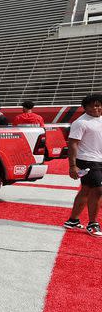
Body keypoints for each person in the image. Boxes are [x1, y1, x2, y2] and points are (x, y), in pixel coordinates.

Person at [64, 93, 102, 237]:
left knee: (86, 190)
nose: (95, 108)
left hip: (99, 159)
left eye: (98, 105)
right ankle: (92, 224)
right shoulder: (80, 122)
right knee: (98, 190)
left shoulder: (100, 119)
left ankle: (72, 220)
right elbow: (73, 144)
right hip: (87, 160)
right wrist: (72, 166)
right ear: (84, 107)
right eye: (91, 106)